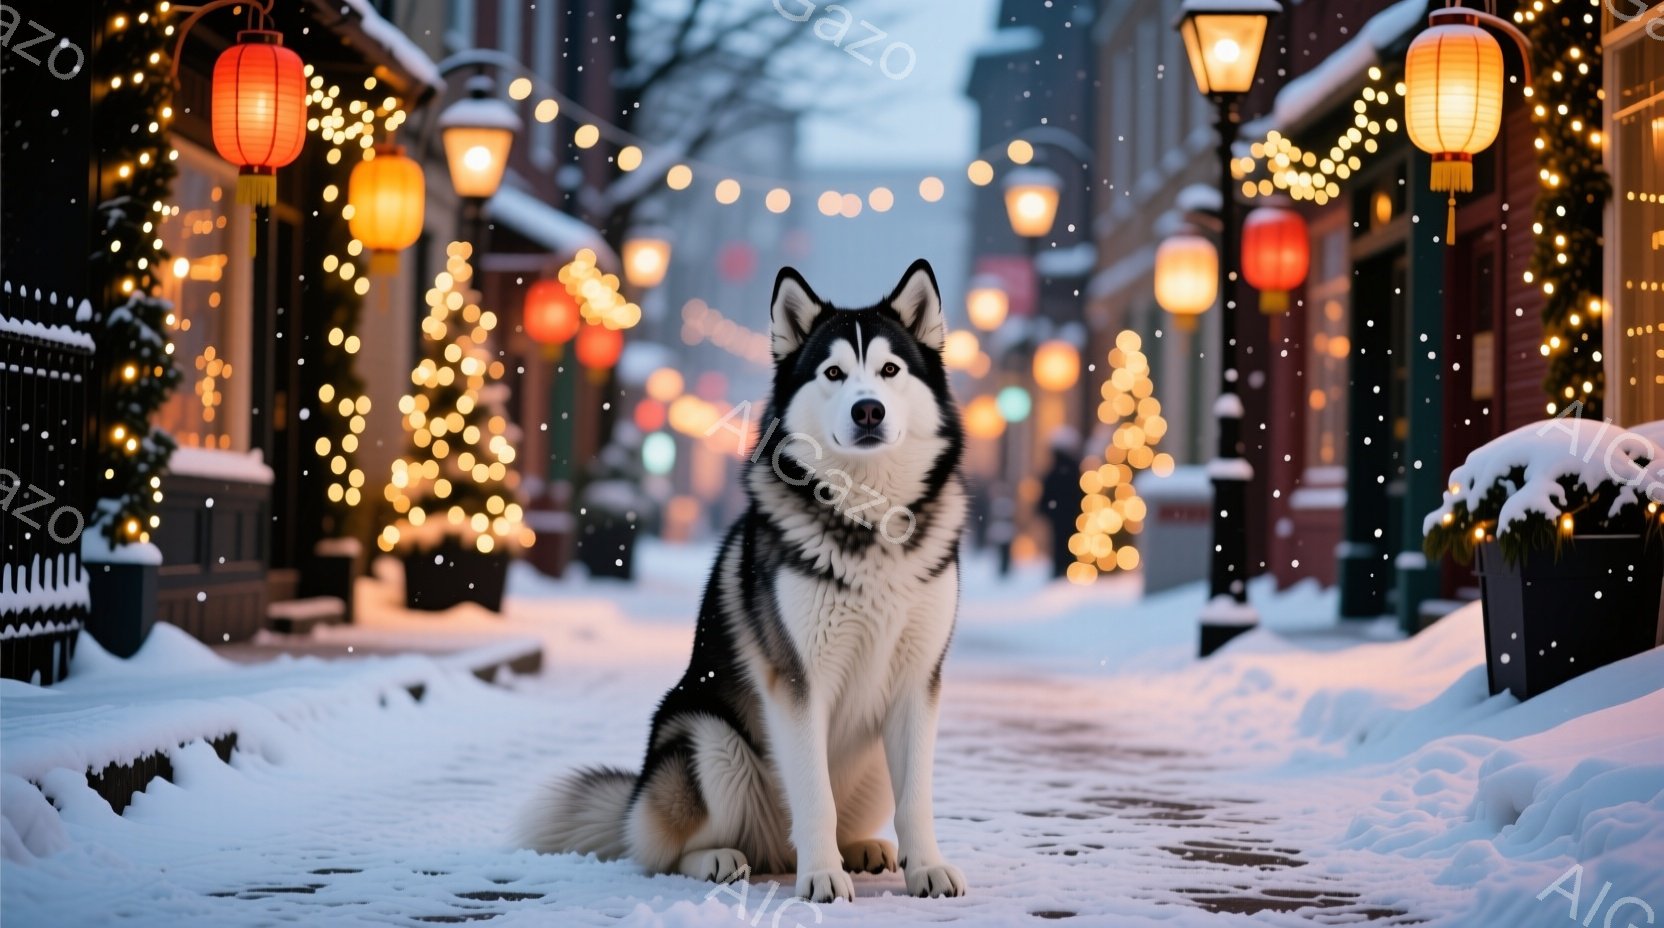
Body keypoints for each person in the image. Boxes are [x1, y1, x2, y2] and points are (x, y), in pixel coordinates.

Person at [1039, 426, 1083, 579]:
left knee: (1059, 543)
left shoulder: (1054, 472)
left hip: (1059, 514)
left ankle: (1060, 569)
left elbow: (1046, 495)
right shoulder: (1074, 471)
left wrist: (1047, 509)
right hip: (1071, 514)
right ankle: (1066, 568)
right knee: (1068, 542)